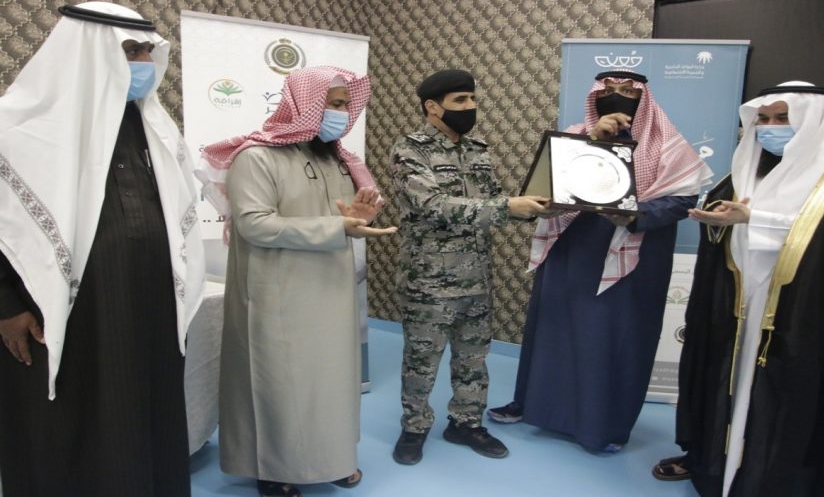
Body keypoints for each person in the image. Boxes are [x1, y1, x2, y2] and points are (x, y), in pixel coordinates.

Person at [0, 2, 205, 497]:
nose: (142, 63)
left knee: (144, 422)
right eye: (129, 51)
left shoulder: (153, 128)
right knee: (70, 436)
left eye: (146, 51)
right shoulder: (18, 129)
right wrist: (5, 306)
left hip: (148, 310)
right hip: (61, 318)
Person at [488, 70, 712, 452]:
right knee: (554, 332)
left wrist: (633, 215)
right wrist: (591, 142)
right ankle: (533, 406)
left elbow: (682, 201)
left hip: (631, 257)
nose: (617, 96)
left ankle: (601, 427)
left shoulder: (666, 143)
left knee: (610, 340)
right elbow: (545, 187)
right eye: (608, 90)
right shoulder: (576, 134)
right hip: (571, 250)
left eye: (627, 91)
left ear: (643, 97)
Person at [199, 66, 395, 497]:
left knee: (332, 382)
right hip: (278, 294)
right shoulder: (256, 157)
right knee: (281, 384)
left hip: (331, 289)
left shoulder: (337, 159)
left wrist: (357, 218)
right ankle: (275, 468)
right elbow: (255, 224)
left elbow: (343, 217)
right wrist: (338, 227)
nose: (342, 114)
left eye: (346, 105)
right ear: (304, 105)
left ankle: (332, 458)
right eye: (334, 104)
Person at [653, 82, 824, 497]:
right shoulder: (745, 170)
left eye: (782, 118)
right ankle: (713, 461)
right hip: (739, 305)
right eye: (762, 119)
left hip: (796, 314)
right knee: (725, 380)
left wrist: (753, 218)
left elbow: (811, 232)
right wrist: (719, 221)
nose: (770, 128)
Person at [390, 69, 551, 465]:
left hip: (476, 277)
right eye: (460, 100)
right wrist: (506, 206)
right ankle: (414, 427)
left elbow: (492, 200)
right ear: (433, 107)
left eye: (473, 99)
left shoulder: (477, 148)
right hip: (429, 281)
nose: (471, 106)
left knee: (473, 359)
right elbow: (432, 206)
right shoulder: (410, 150)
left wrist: (532, 207)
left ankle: (465, 423)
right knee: (422, 361)